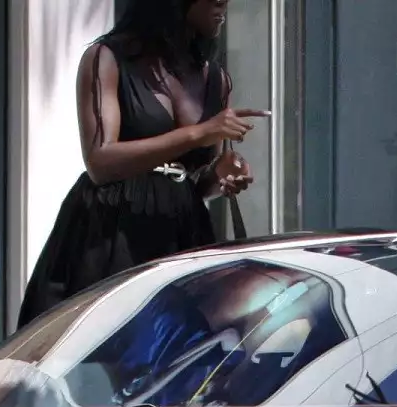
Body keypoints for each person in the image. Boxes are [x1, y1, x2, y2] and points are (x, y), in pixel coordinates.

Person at [17, 0, 267, 328]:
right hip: (110, 233)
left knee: (182, 347)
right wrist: (197, 134)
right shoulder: (107, 59)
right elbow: (100, 161)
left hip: (180, 238)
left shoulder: (216, 79)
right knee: (101, 341)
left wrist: (222, 173)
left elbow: (194, 182)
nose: (224, 1)